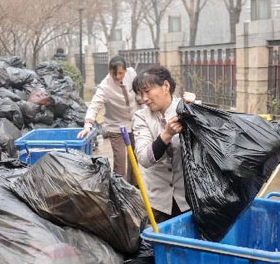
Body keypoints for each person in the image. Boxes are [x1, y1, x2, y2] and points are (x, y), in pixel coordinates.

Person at [131, 65, 195, 222]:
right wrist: (166, 135)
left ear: (165, 86)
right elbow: (144, 159)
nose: (144, 98)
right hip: (157, 202)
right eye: (141, 93)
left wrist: (196, 112)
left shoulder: (187, 108)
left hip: (188, 198)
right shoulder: (141, 117)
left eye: (147, 91)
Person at [78, 55, 139, 184]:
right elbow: (94, 105)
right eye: (113, 73)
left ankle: (134, 188)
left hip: (135, 123)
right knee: (120, 163)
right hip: (116, 127)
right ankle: (120, 189)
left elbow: (141, 91)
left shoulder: (132, 74)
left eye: (121, 73)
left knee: (135, 159)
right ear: (109, 71)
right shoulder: (105, 87)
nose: (117, 77)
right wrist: (88, 124)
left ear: (126, 70)